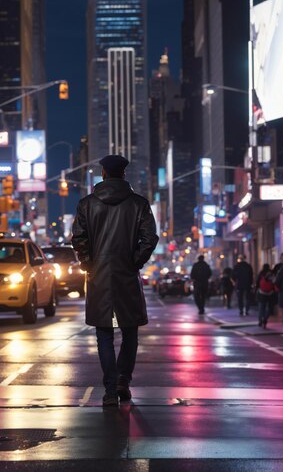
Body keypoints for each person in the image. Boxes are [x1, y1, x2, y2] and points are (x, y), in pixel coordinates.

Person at [72, 154, 158, 407]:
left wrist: (89, 263)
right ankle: (123, 380)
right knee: (130, 331)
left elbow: (79, 239)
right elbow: (149, 238)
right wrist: (135, 262)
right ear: (124, 174)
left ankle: (110, 389)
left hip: (99, 275)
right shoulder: (138, 204)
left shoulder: (86, 204)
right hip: (127, 275)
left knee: (104, 333)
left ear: (103, 174)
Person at [256, 263, 276, 328]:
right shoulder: (272, 273)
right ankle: (265, 318)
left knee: (261, 307)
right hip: (270, 293)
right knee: (269, 308)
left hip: (261, 293)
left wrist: (256, 289)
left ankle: (260, 320)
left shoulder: (261, 273)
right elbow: (275, 282)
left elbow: (257, 282)